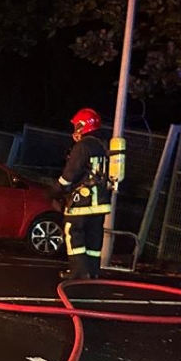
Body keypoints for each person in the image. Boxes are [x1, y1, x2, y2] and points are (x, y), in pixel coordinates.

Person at [56, 108, 111, 280]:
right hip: (101, 201)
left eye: (77, 126)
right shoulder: (102, 145)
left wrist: (55, 190)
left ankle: (78, 271)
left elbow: (70, 174)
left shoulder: (82, 146)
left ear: (83, 126)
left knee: (73, 231)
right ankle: (92, 272)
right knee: (94, 237)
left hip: (84, 201)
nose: (75, 130)